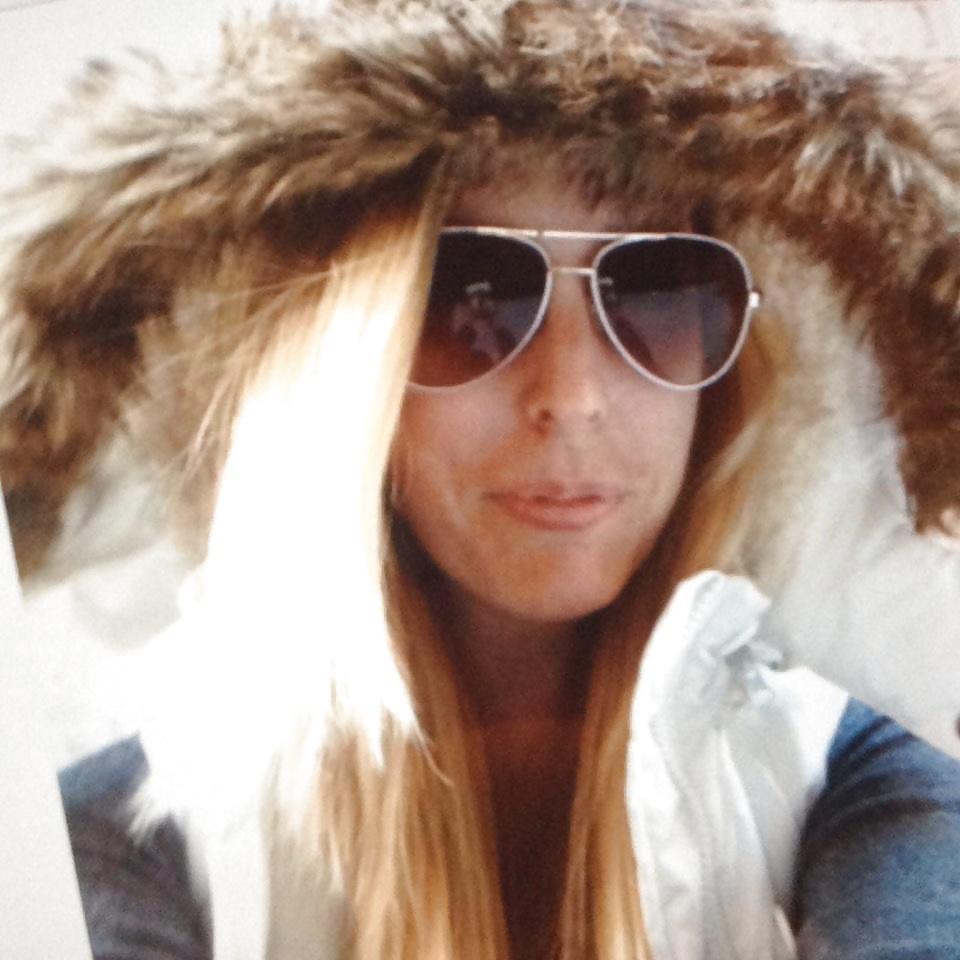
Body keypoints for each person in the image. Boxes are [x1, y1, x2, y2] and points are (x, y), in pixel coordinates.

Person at [4, 1, 960, 958]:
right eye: (474, 295)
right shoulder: (132, 830)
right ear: (341, 364)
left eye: (658, 289)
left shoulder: (858, 780)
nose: (572, 396)